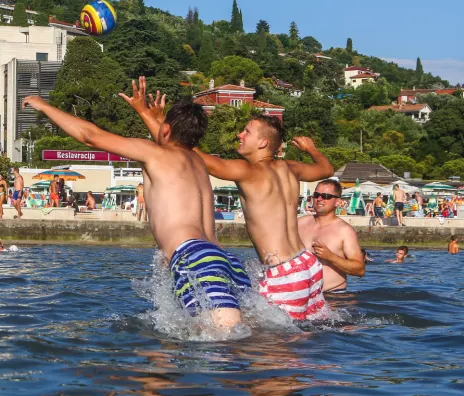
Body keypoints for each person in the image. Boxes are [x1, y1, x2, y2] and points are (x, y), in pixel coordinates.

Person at [23, 77, 251, 328]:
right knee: (227, 334)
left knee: (223, 340)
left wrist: (44, 106)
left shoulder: (155, 154)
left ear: (166, 130)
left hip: (193, 255)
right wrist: (145, 113)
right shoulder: (197, 162)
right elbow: (170, 139)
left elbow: (90, 136)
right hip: (224, 259)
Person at [188, 112, 335, 321]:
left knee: (267, 345)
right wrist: (310, 148)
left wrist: (166, 126)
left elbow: (201, 159)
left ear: (263, 142)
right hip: (307, 263)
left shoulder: (247, 171)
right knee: (309, 332)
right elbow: (326, 168)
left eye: (247, 132)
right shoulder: (290, 168)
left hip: (284, 273)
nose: (240, 135)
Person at [297, 180, 366, 294]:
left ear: (338, 202)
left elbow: (360, 269)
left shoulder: (344, 231)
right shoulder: (300, 224)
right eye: (316, 195)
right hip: (301, 296)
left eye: (325, 196)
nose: (319, 199)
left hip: (333, 297)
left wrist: (330, 257)